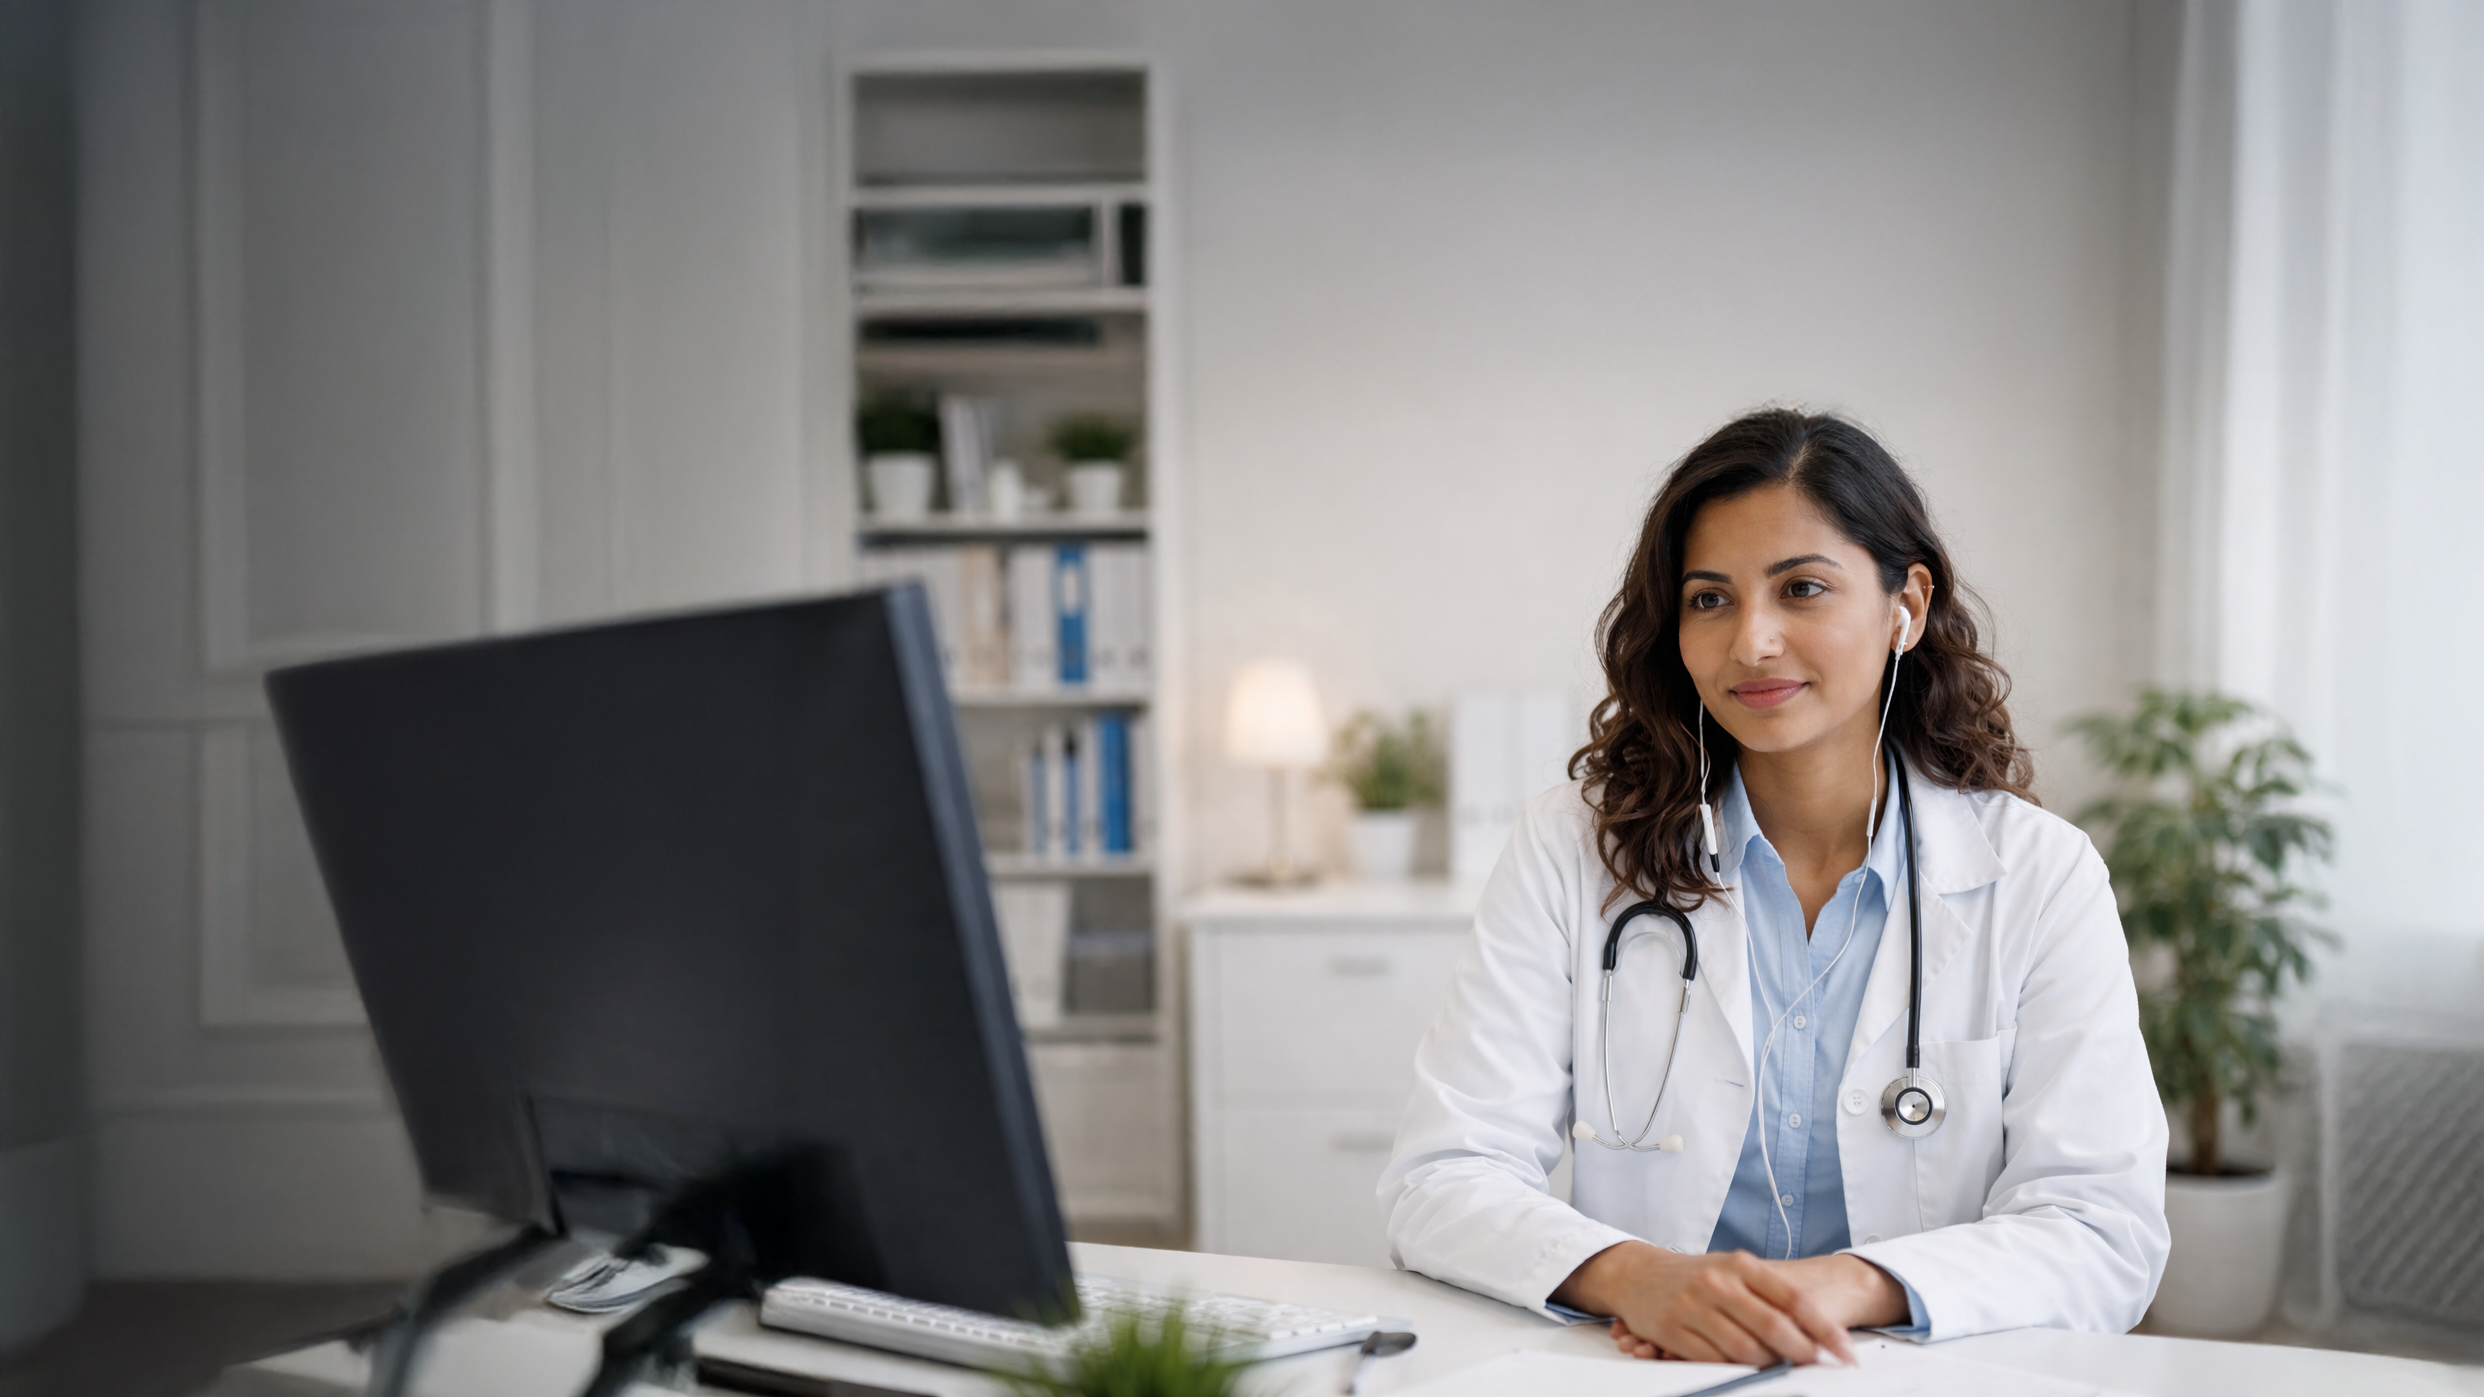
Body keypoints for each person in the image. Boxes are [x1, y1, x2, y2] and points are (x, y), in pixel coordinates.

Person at [1378, 409, 2167, 1365]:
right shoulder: (1570, 849)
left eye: (1802, 589)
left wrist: (1840, 1286)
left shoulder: (2040, 876)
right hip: (1644, 1365)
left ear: (1905, 608)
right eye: (1710, 599)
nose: (1751, 641)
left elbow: (2101, 1228)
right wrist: (1640, 1274)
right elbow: (1443, 1177)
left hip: (1914, 1370)